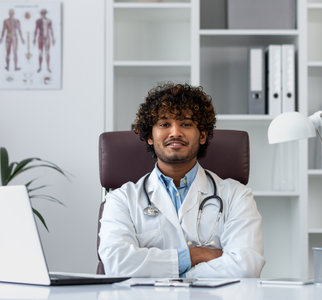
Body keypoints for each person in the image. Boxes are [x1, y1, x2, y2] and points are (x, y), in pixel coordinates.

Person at [98, 83, 265, 278]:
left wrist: (167, 273)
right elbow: (117, 264)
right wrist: (194, 255)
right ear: (150, 136)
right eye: (164, 124)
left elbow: (246, 266)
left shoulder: (236, 195)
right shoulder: (121, 199)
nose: (175, 132)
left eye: (186, 124)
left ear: (202, 135)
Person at [33, 9, 55, 73]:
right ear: (41, 14)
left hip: (47, 38)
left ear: (46, 14)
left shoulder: (49, 21)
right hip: (40, 38)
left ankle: (48, 67)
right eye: (42, 13)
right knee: (40, 53)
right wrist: (34, 38)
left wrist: (53, 38)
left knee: (47, 53)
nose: (43, 14)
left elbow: (51, 29)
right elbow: (36, 30)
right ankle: (40, 67)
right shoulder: (38, 21)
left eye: (44, 13)